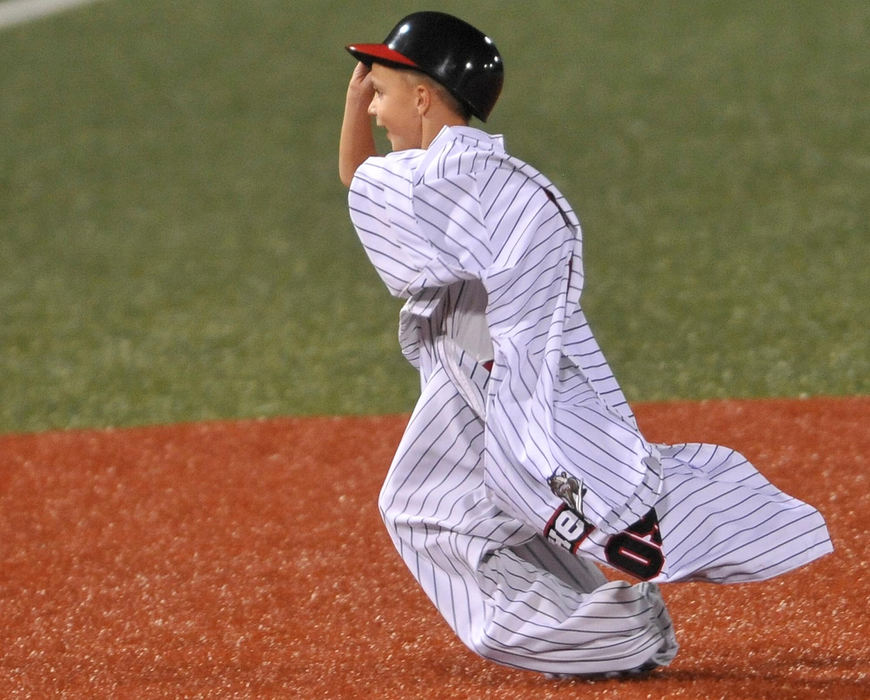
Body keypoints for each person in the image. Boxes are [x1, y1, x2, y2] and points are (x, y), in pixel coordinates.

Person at [338, 11, 833, 678]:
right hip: (506, 366)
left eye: (383, 91)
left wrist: (350, 109)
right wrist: (360, 98)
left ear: (424, 96)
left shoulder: (436, 181)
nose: (373, 103)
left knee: (430, 511)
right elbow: (373, 185)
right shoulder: (482, 174)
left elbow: (358, 180)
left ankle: (611, 634)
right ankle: (610, 624)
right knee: (450, 509)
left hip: (489, 373)